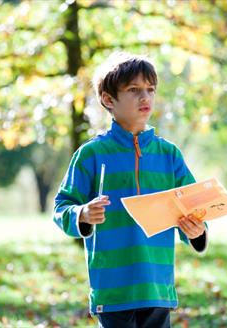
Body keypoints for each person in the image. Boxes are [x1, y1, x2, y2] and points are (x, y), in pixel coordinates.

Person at [53, 52, 208, 328]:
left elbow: (193, 209)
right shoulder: (91, 154)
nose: (145, 97)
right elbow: (62, 207)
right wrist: (81, 214)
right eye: (134, 90)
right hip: (113, 290)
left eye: (150, 89)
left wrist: (197, 231)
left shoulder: (169, 154)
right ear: (108, 99)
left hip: (157, 288)